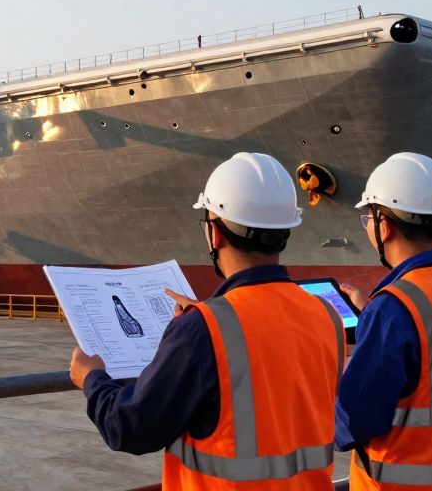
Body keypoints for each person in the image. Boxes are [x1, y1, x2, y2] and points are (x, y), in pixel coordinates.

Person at [70, 152, 345, 488]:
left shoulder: (202, 330)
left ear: (214, 234)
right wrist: (206, 318)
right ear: (284, 232)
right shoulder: (326, 314)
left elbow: (130, 428)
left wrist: (92, 378)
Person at [335, 152, 432, 490]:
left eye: (368, 219)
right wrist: (374, 319)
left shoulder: (391, 310)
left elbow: (350, 423)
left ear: (384, 225)